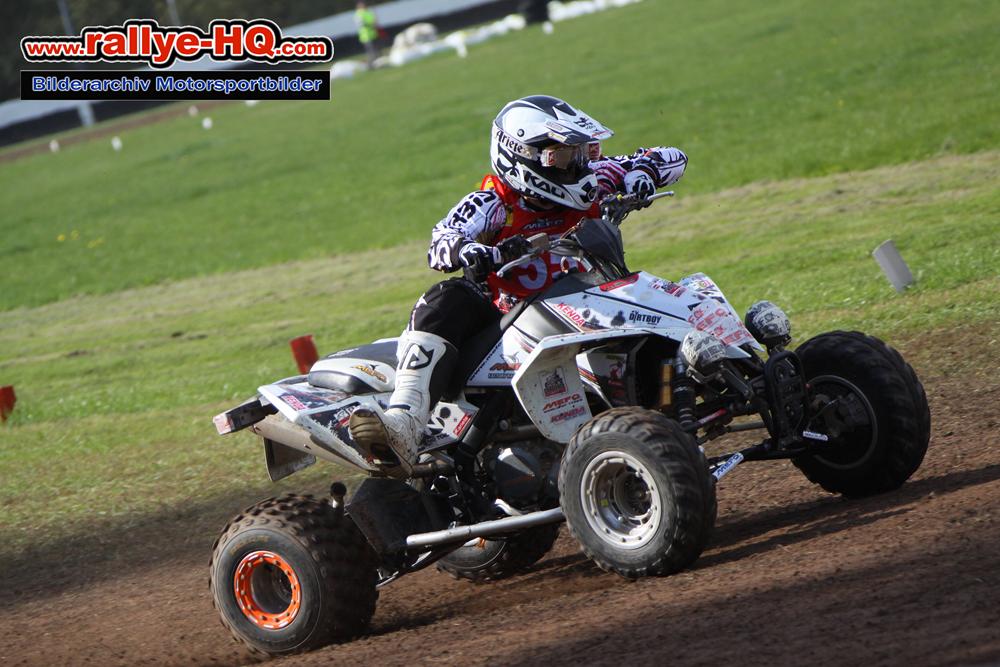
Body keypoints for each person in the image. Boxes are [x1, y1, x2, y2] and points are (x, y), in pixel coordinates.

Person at [350, 95, 688, 477]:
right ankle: (404, 424)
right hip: (517, 327)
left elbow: (673, 157)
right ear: (523, 157)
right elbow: (442, 241)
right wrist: (472, 251)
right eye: (563, 157)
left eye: (579, 153)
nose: (578, 165)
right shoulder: (494, 202)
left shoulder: (598, 177)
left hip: (596, 303)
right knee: (445, 299)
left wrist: (642, 172)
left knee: (671, 296)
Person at [355, 2, 379, 68]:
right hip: (366, 36)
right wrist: (371, 24)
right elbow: (361, 24)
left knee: (376, 50)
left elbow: (374, 21)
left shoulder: (368, 12)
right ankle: (371, 65)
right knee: (371, 52)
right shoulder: (359, 14)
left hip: (373, 34)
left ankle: (377, 64)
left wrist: (374, 22)